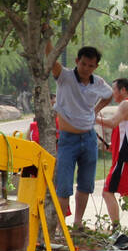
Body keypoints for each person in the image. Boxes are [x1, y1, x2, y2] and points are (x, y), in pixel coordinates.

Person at [48, 44, 114, 227]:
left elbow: (109, 95)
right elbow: (52, 59)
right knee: (63, 187)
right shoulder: (65, 77)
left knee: (85, 184)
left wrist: (96, 109)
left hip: (89, 137)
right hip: (68, 139)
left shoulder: (98, 82)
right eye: (83, 64)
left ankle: (78, 223)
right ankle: (61, 227)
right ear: (77, 61)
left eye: (91, 65)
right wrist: (47, 37)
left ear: (96, 66)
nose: (86, 69)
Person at [95, 78, 128, 244]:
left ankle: (116, 229)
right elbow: (125, 131)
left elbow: (112, 123)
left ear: (123, 90)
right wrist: (113, 147)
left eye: (114, 90)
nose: (112, 94)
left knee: (107, 191)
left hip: (125, 158)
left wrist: (92, 118)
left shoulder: (125, 104)